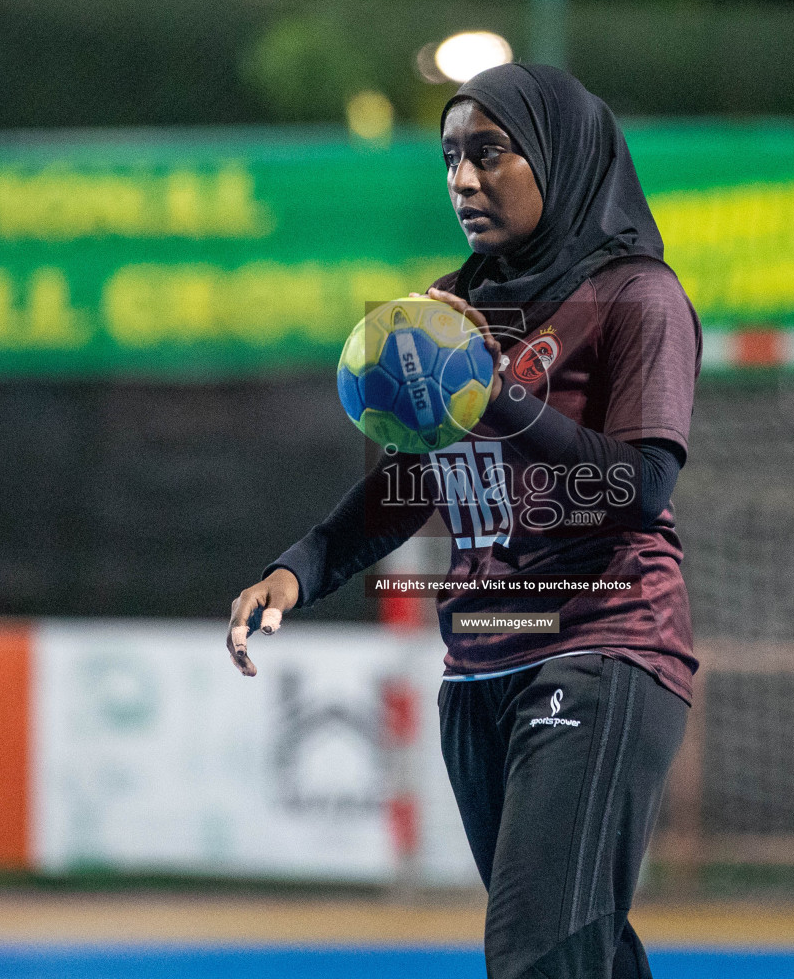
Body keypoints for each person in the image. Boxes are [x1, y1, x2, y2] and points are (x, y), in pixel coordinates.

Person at [227, 63, 700, 979]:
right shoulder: (451, 307)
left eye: (489, 153)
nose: (463, 180)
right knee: (580, 953)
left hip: (603, 646)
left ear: (557, 159)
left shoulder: (640, 296)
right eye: (450, 159)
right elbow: (409, 486)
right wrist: (300, 567)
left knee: (534, 953)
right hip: (480, 663)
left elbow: (641, 486)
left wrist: (497, 398)